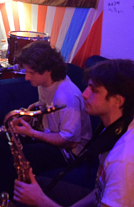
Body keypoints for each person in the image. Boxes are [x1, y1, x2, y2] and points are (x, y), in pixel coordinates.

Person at [14, 58, 134, 207]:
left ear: (117, 100)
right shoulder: (112, 128)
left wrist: (40, 201)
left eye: (94, 90)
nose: (84, 94)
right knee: (36, 185)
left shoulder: (123, 159)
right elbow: (99, 192)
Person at [0, 41, 92, 205]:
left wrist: (31, 133)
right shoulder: (45, 83)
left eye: (31, 73)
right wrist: (28, 115)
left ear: (48, 71)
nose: (27, 77)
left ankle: (14, 200)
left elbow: (70, 141)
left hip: (70, 153)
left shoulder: (67, 96)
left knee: (22, 158)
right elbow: (44, 107)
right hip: (49, 134)